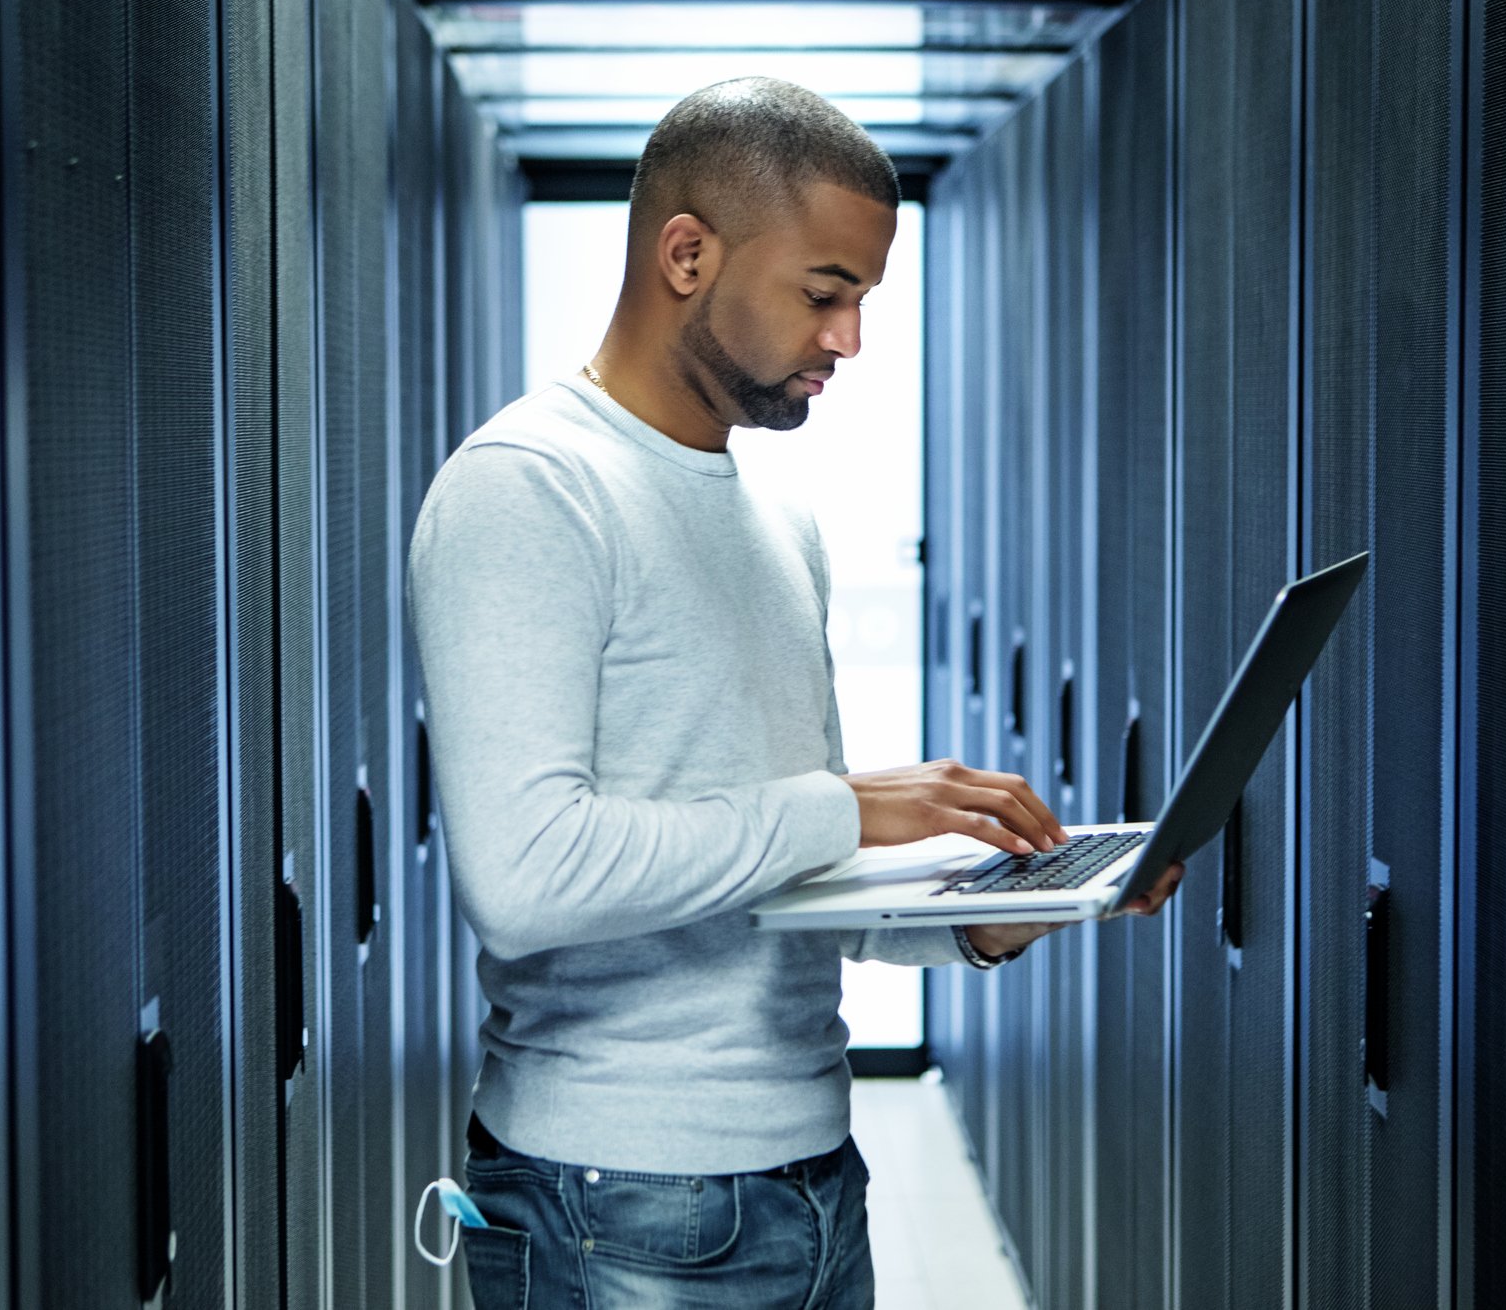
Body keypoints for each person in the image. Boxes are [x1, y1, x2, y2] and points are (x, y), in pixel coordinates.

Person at [405, 76, 1184, 1309]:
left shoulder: (777, 517)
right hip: (616, 1202)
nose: (850, 340)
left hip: (814, 1183)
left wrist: (996, 916)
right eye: (825, 292)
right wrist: (847, 805)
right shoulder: (527, 491)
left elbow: (789, 884)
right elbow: (523, 878)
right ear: (686, 252)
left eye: (863, 298)